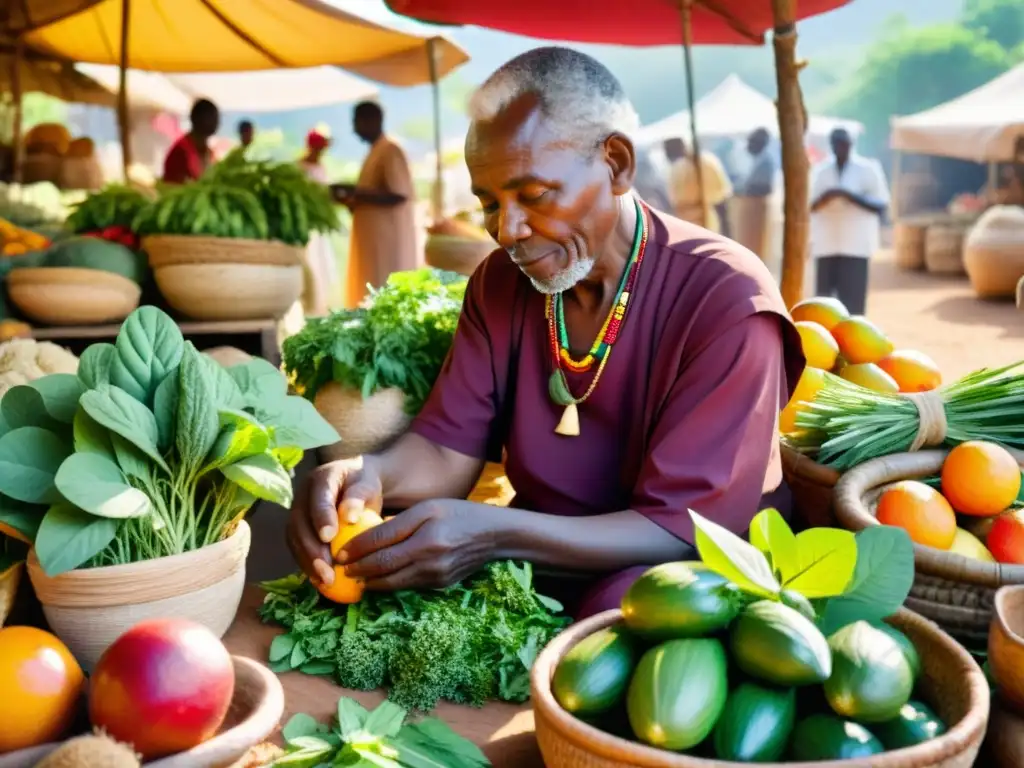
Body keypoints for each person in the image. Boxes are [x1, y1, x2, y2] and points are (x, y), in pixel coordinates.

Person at [286, 47, 804, 620]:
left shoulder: (726, 298)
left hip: (684, 589)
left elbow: (683, 531)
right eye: (489, 203)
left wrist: (496, 534)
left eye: (533, 195)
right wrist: (368, 475)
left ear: (616, 164)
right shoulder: (501, 284)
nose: (508, 230)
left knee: (627, 609)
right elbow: (442, 450)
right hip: (536, 567)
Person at [335, 101, 418, 309]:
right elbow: (374, 196)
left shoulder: (390, 150)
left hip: (387, 244)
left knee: (384, 299)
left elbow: (399, 194)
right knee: (368, 297)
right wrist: (351, 199)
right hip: (371, 244)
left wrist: (355, 192)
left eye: (356, 122)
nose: (354, 129)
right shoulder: (375, 151)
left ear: (372, 120)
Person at [809, 128, 889, 315]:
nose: (840, 147)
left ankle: (853, 342)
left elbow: (880, 205)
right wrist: (826, 198)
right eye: (836, 143)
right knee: (824, 304)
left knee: (853, 305)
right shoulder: (821, 171)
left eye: (843, 143)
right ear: (831, 145)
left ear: (851, 143)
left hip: (856, 246)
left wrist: (848, 195)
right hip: (827, 245)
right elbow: (810, 205)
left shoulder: (868, 169)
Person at [298, 129, 337, 315]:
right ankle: (309, 304)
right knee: (308, 260)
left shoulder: (321, 167)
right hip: (306, 222)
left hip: (319, 225)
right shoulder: (300, 167)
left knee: (320, 260)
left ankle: (320, 304)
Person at [664, 136, 732, 233]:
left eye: (668, 149)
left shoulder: (682, 167)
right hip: (702, 221)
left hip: (701, 220)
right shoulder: (707, 161)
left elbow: (721, 197)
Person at [162, 99, 219, 184]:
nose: (216, 122)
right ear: (195, 119)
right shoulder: (180, 152)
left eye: (216, 117)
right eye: (210, 116)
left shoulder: (209, 153)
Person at [741, 128, 775, 198]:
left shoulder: (764, 163)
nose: (748, 146)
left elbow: (756, 188)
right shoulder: (758, 160)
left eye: (751, 142)